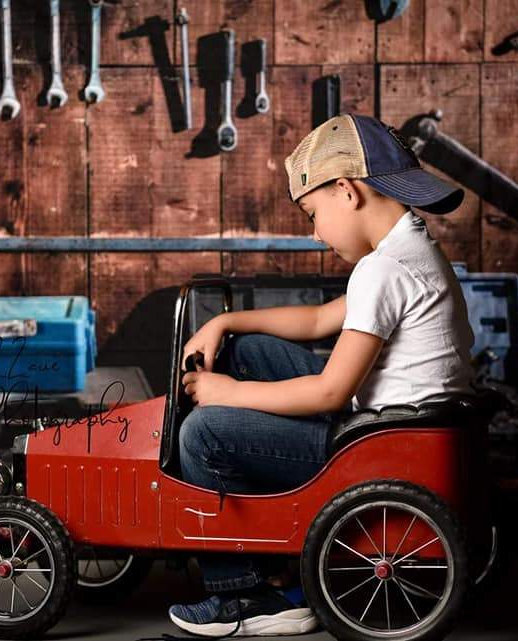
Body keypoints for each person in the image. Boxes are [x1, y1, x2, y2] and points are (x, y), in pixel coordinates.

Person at [165, 113, 476, 638]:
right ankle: (266, 553)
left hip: (376, 446)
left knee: (203, 432)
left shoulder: (385, 270)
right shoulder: (406, 250)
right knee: (251, 349)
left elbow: (332, 390)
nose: (314, 234)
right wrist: (223, 321)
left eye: (312, 213)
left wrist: (229, 393)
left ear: (347, 192)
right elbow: (315, 321)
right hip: (394, 431)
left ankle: (247, 595)